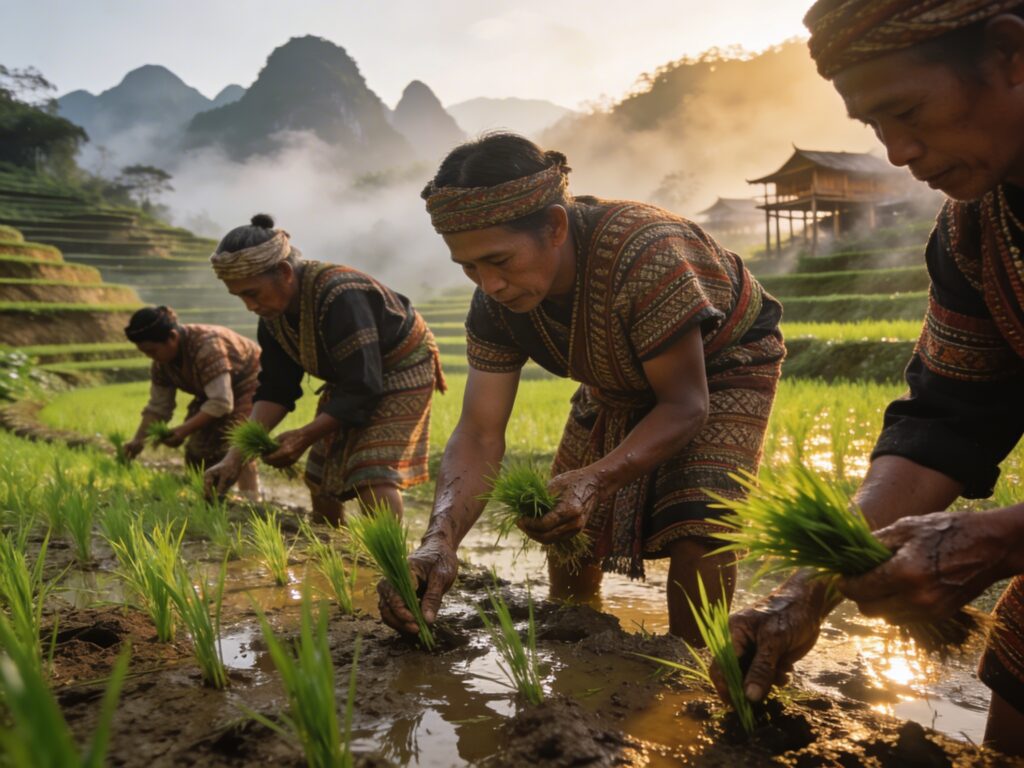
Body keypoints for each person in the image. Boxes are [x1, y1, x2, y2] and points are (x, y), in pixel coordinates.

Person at [718, 1, 1024, 755]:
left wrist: (1002, 539)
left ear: (1010, 53)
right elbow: (949, 417)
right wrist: (813, 582)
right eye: (873, 127)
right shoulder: (976, 231)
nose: (895, 153)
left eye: (907, 111)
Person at [378, 133, 785, 645]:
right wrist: (440, 540)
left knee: (701, 523)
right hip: (611, 377)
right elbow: (480, 432)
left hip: (721, 363)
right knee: (563, 526)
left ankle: (694, 672)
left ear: (553, 226)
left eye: (500, 261)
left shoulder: (647, 252)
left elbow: (684, 404)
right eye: (469, 268)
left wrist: (596, 477)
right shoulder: (493, 308)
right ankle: (578, 641)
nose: (490, 285)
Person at [203, 214, 446, 524]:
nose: (250, 305)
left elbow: (364, 385)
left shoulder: (341, 295)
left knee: (372, 471)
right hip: (353, 378)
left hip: (401, 365)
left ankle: (391, 561)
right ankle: (334, 550)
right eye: (240, 297)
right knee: (322, 478)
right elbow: (277, 389)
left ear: (284, 271)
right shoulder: (273, 319)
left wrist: (304, 435)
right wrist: (233, 458)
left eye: (253, 293)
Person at [123, 305, 262, 496]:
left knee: (236, 440)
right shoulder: (161, 364)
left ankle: (250, 498)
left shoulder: (207, 346)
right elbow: (158, 407)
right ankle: (207, 495)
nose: (151, 357)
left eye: (153, 351)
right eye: (145, 353)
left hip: (250, 381)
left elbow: (221, 402)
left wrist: (182, 430)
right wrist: (138, 440)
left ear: (172, 337)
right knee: (198, 449)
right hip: (214, 392)